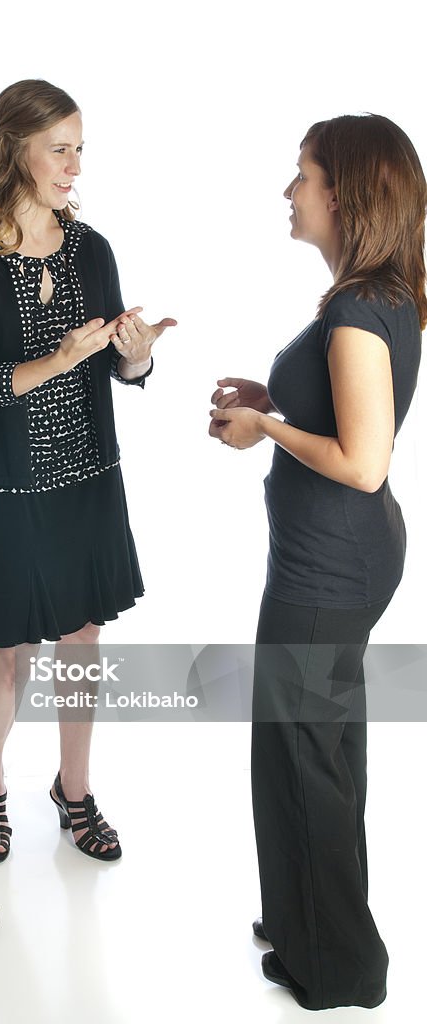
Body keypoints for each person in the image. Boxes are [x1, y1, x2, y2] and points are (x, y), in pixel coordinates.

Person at [209, 114, 425, 1009]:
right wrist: (275, 401)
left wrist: (264, 428)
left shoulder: (354, 310)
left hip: (324, 571)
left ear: (343, 193)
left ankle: (335, 966)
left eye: (301, 176)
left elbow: (363, 460)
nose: (289, 192)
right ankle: (310, 915)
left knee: (301, 758)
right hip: (342, 560)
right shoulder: (376, 297)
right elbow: (343, 416)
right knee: (321, 750)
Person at [0, 79, 175, 865]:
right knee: (11, 653)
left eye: (79, 149)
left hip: (89, 480)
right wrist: (60, 356)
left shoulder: (91, 249)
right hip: (9, 486)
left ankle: (73, 790)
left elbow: (119, 369)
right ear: (16, 151)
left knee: (83, 638)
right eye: (60, 149)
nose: (74, 166)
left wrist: (135, 356)